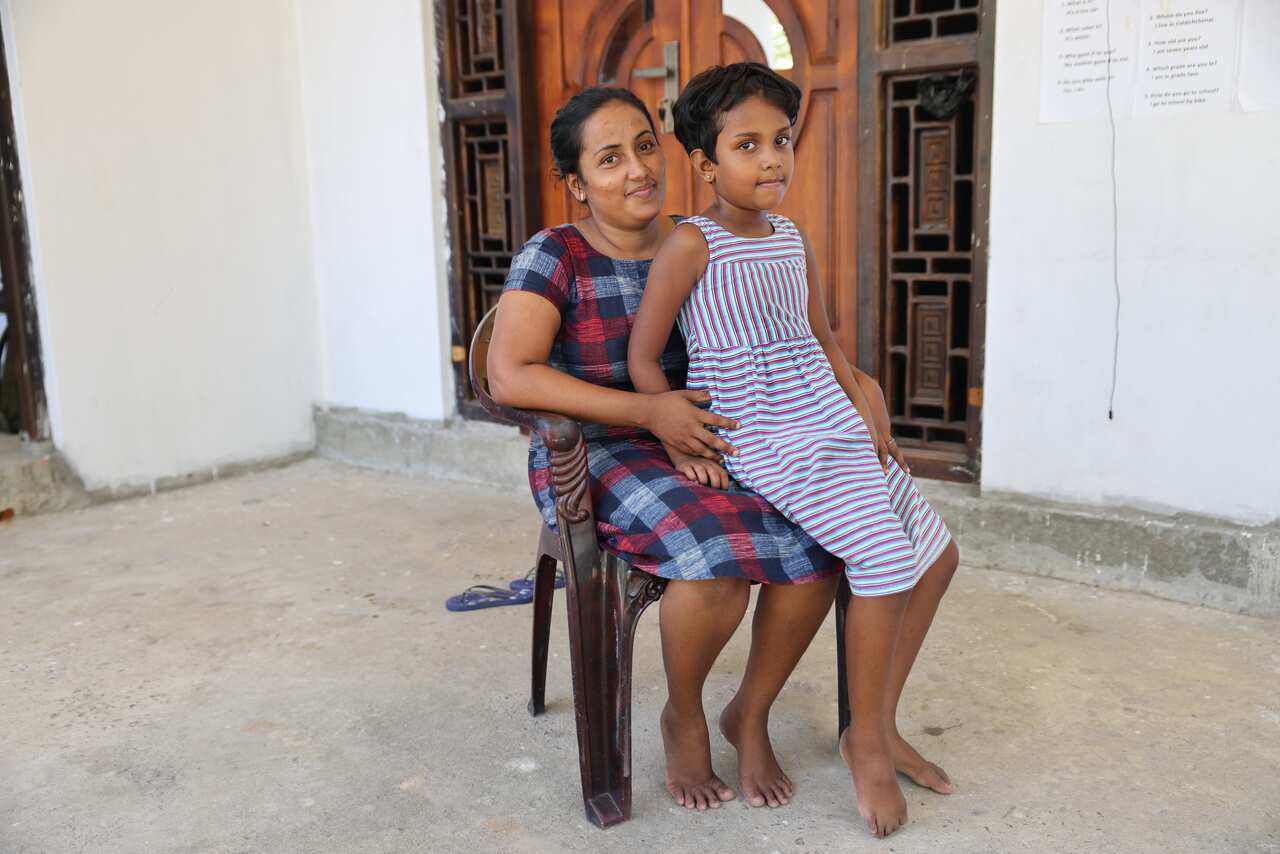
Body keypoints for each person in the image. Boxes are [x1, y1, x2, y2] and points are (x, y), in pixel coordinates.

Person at [487, 87, 845, 811]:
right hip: (592, 453)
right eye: (610, 158)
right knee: (717, 563)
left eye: (645, 147)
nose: (638, 169)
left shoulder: (699, 240)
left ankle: (750, 709)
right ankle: (684, 713)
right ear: (579, 183)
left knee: (821, 541)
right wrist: (648, 412)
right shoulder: (556, 254)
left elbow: (781, 340)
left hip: (707, 436)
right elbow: (509, 372)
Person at [628, 63, 961, 837]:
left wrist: (864, 397)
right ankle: (867, 745)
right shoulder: (691, 243)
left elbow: (819, 336)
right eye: (747, 145)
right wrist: (675, 436)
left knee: (937, 557)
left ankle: (871, 719)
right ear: (707, 165)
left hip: (824, 415)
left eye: (780, 139)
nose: (772, 158)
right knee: (881, 562)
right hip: (765, 433)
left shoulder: (790, 237)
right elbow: (647, 359)